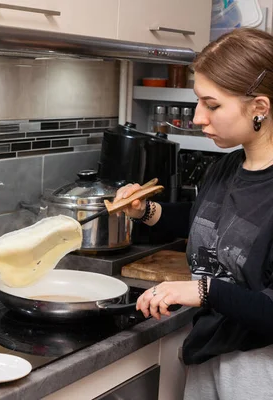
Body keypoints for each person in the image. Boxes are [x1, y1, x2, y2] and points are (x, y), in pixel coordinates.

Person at [114, 27, 273, 400]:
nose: (198, 117)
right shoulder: (228, 165)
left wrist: (203, 290)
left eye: (212, 105)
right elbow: (211, 222)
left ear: (259, 108)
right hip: (209, 350)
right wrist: (147, 211)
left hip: (259, 370)